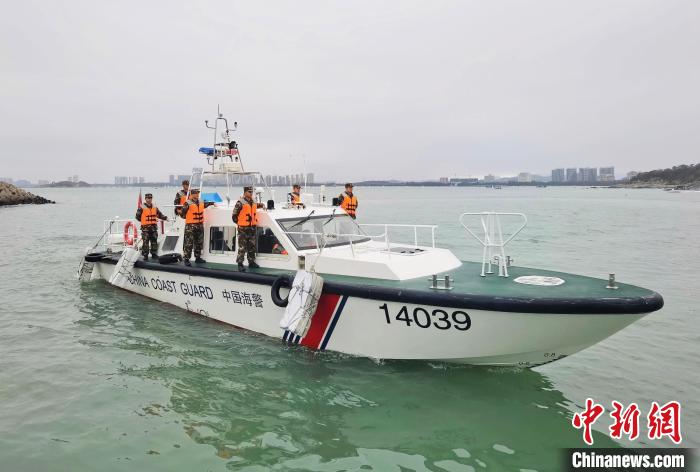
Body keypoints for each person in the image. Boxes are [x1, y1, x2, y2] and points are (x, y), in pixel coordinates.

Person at [231, 186, 264, 271]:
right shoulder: (240, 202)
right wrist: (240, 223)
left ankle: (251, 262)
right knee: (242, 247)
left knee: (251, 245)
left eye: (251, 192)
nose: (251, 193)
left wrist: (262, 205)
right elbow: (234, 215)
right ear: (245, 192)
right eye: (249, 192)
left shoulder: (253, 202)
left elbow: (255, 206)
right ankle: (240, 264)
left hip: (251, 227)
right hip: (243, 228)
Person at [180, 188, 214, 266]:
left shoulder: (201, 201)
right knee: (189, 243)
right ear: (192, 194)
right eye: (196, 193)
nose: (197, 195)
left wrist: (212, 203)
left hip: (199, 224)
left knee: (199, 242)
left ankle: (197, 258)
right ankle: (186, 259)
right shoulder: (187, 203)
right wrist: (189, 218)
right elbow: (182, 214)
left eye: (198, 193)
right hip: (190, 226)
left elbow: (206, 204)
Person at [135, 193, 168, 260]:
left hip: (153, 227)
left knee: (154, 240)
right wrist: (144, 222)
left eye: (150, 198)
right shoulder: (141, 207)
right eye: (148, 198)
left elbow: (159, 214)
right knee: (146, 241)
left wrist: (165, 218)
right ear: (145, 199)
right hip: (145, 228)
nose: (149, 199)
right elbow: (137, 217)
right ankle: (145, 255)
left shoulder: (154, 207)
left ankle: (154, 254)